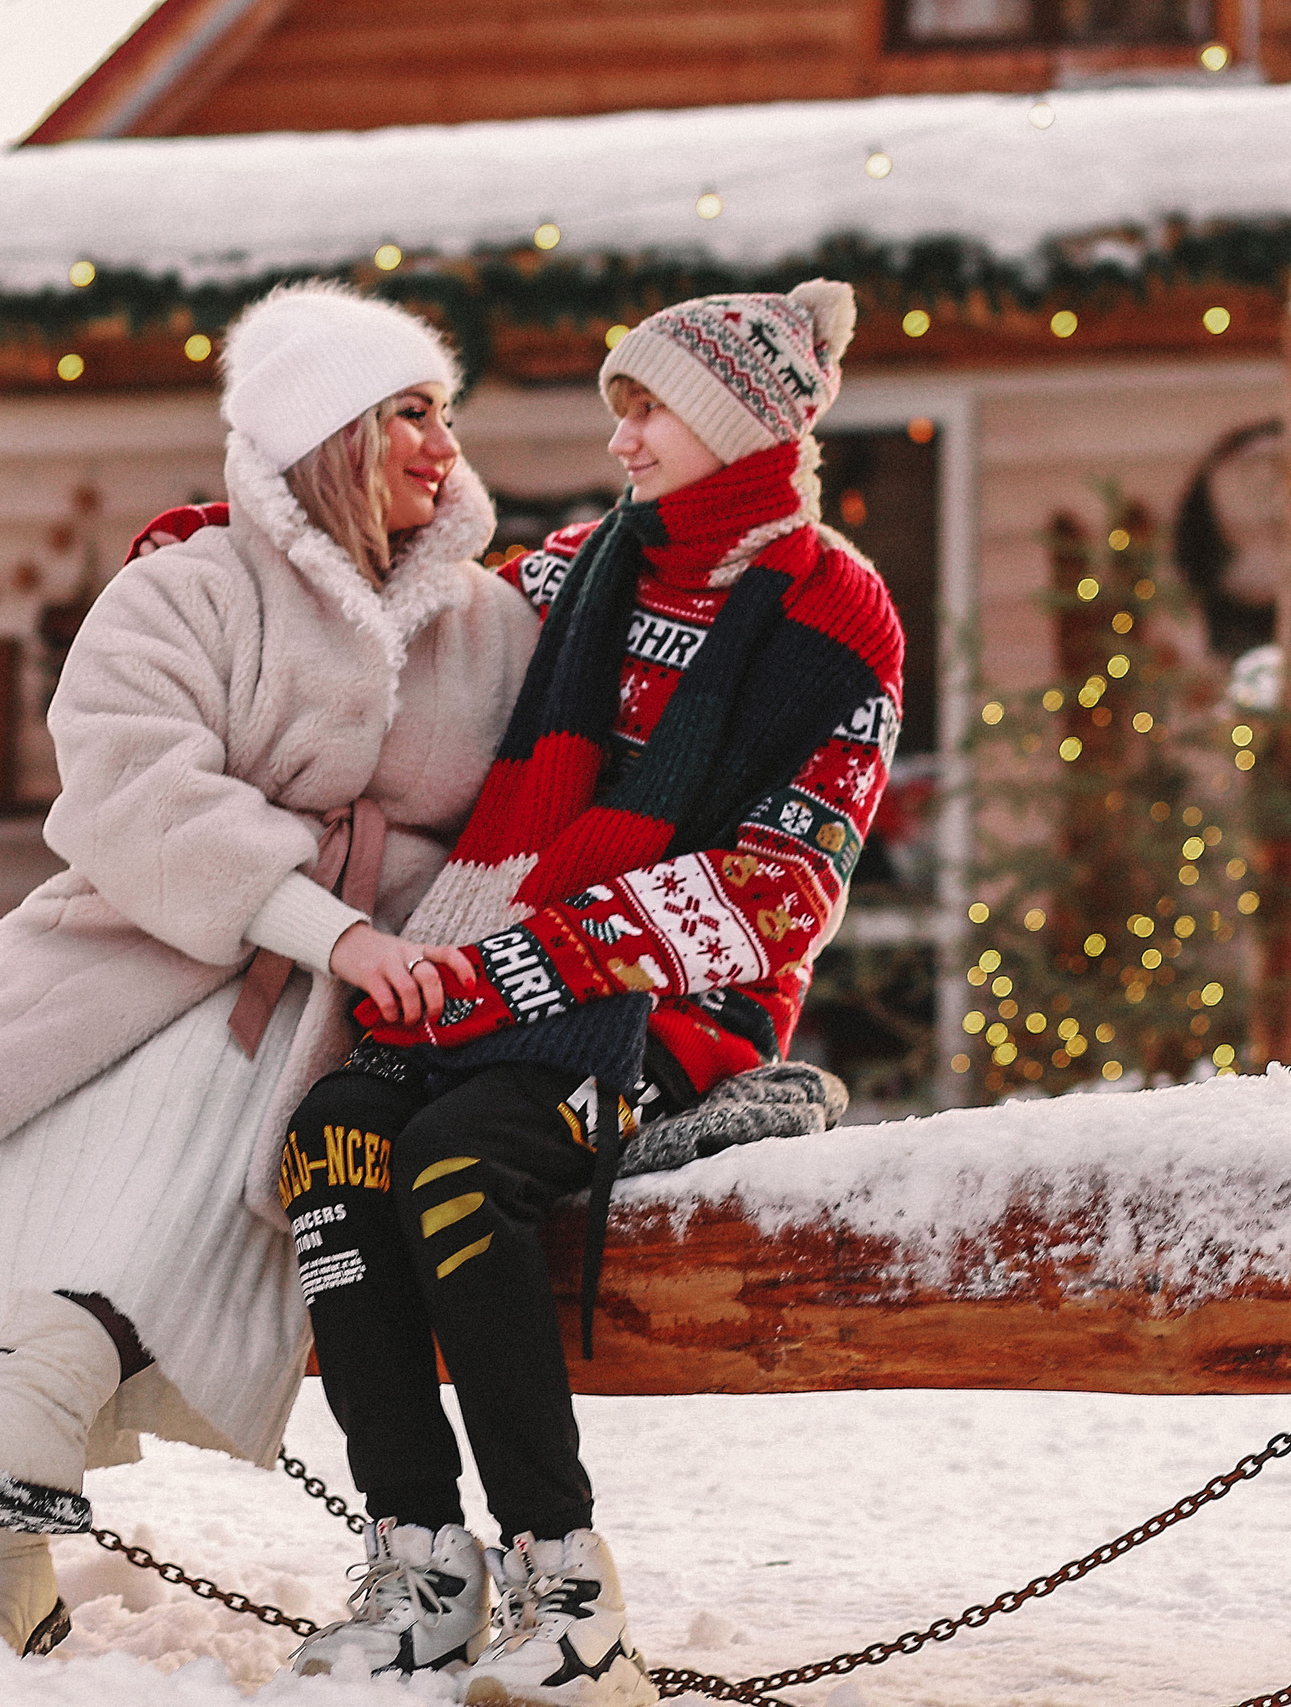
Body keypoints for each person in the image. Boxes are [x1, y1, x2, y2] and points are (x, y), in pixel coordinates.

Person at [0, 281, 538, 1655]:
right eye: (407, 412)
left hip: (344, 997)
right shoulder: (187, 588)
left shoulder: (495, 628)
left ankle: (41, 1394)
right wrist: (317, 916)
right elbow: (127, 788)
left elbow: (518, 823)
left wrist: (398, 949)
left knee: (199, 1118)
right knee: (1, 1127)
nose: (437, 442)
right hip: (133, 941)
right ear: (331, 434)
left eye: (442, 413)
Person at [271, 280, 904, 1704]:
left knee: (453, 1164)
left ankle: (569, 1587)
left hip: (670, 1007)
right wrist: (229, 556)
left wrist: (548, 954)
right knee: (332, 1145)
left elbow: (784, 889)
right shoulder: (569, 571)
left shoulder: (835, 611)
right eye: (618, 408)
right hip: (483, 969)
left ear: (741, 419)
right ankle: (421, 1562)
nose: (619, 438)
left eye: (649, 409)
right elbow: (388, 618)